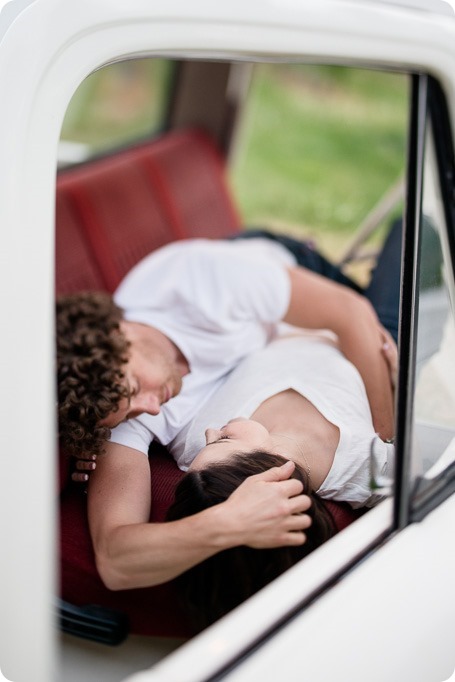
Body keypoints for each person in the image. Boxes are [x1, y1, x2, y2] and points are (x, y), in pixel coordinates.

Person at [57, 230, 396, 591]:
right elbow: (116, 559)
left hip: (288, 276)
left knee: (396, 309)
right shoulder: (122, 411)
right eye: (126, 415)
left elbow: (348, 312)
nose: (152, 409)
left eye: (135, 389)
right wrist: (228, 522)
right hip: (292, 349)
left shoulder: (201, 283)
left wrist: (386, 435)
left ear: (118, 333)